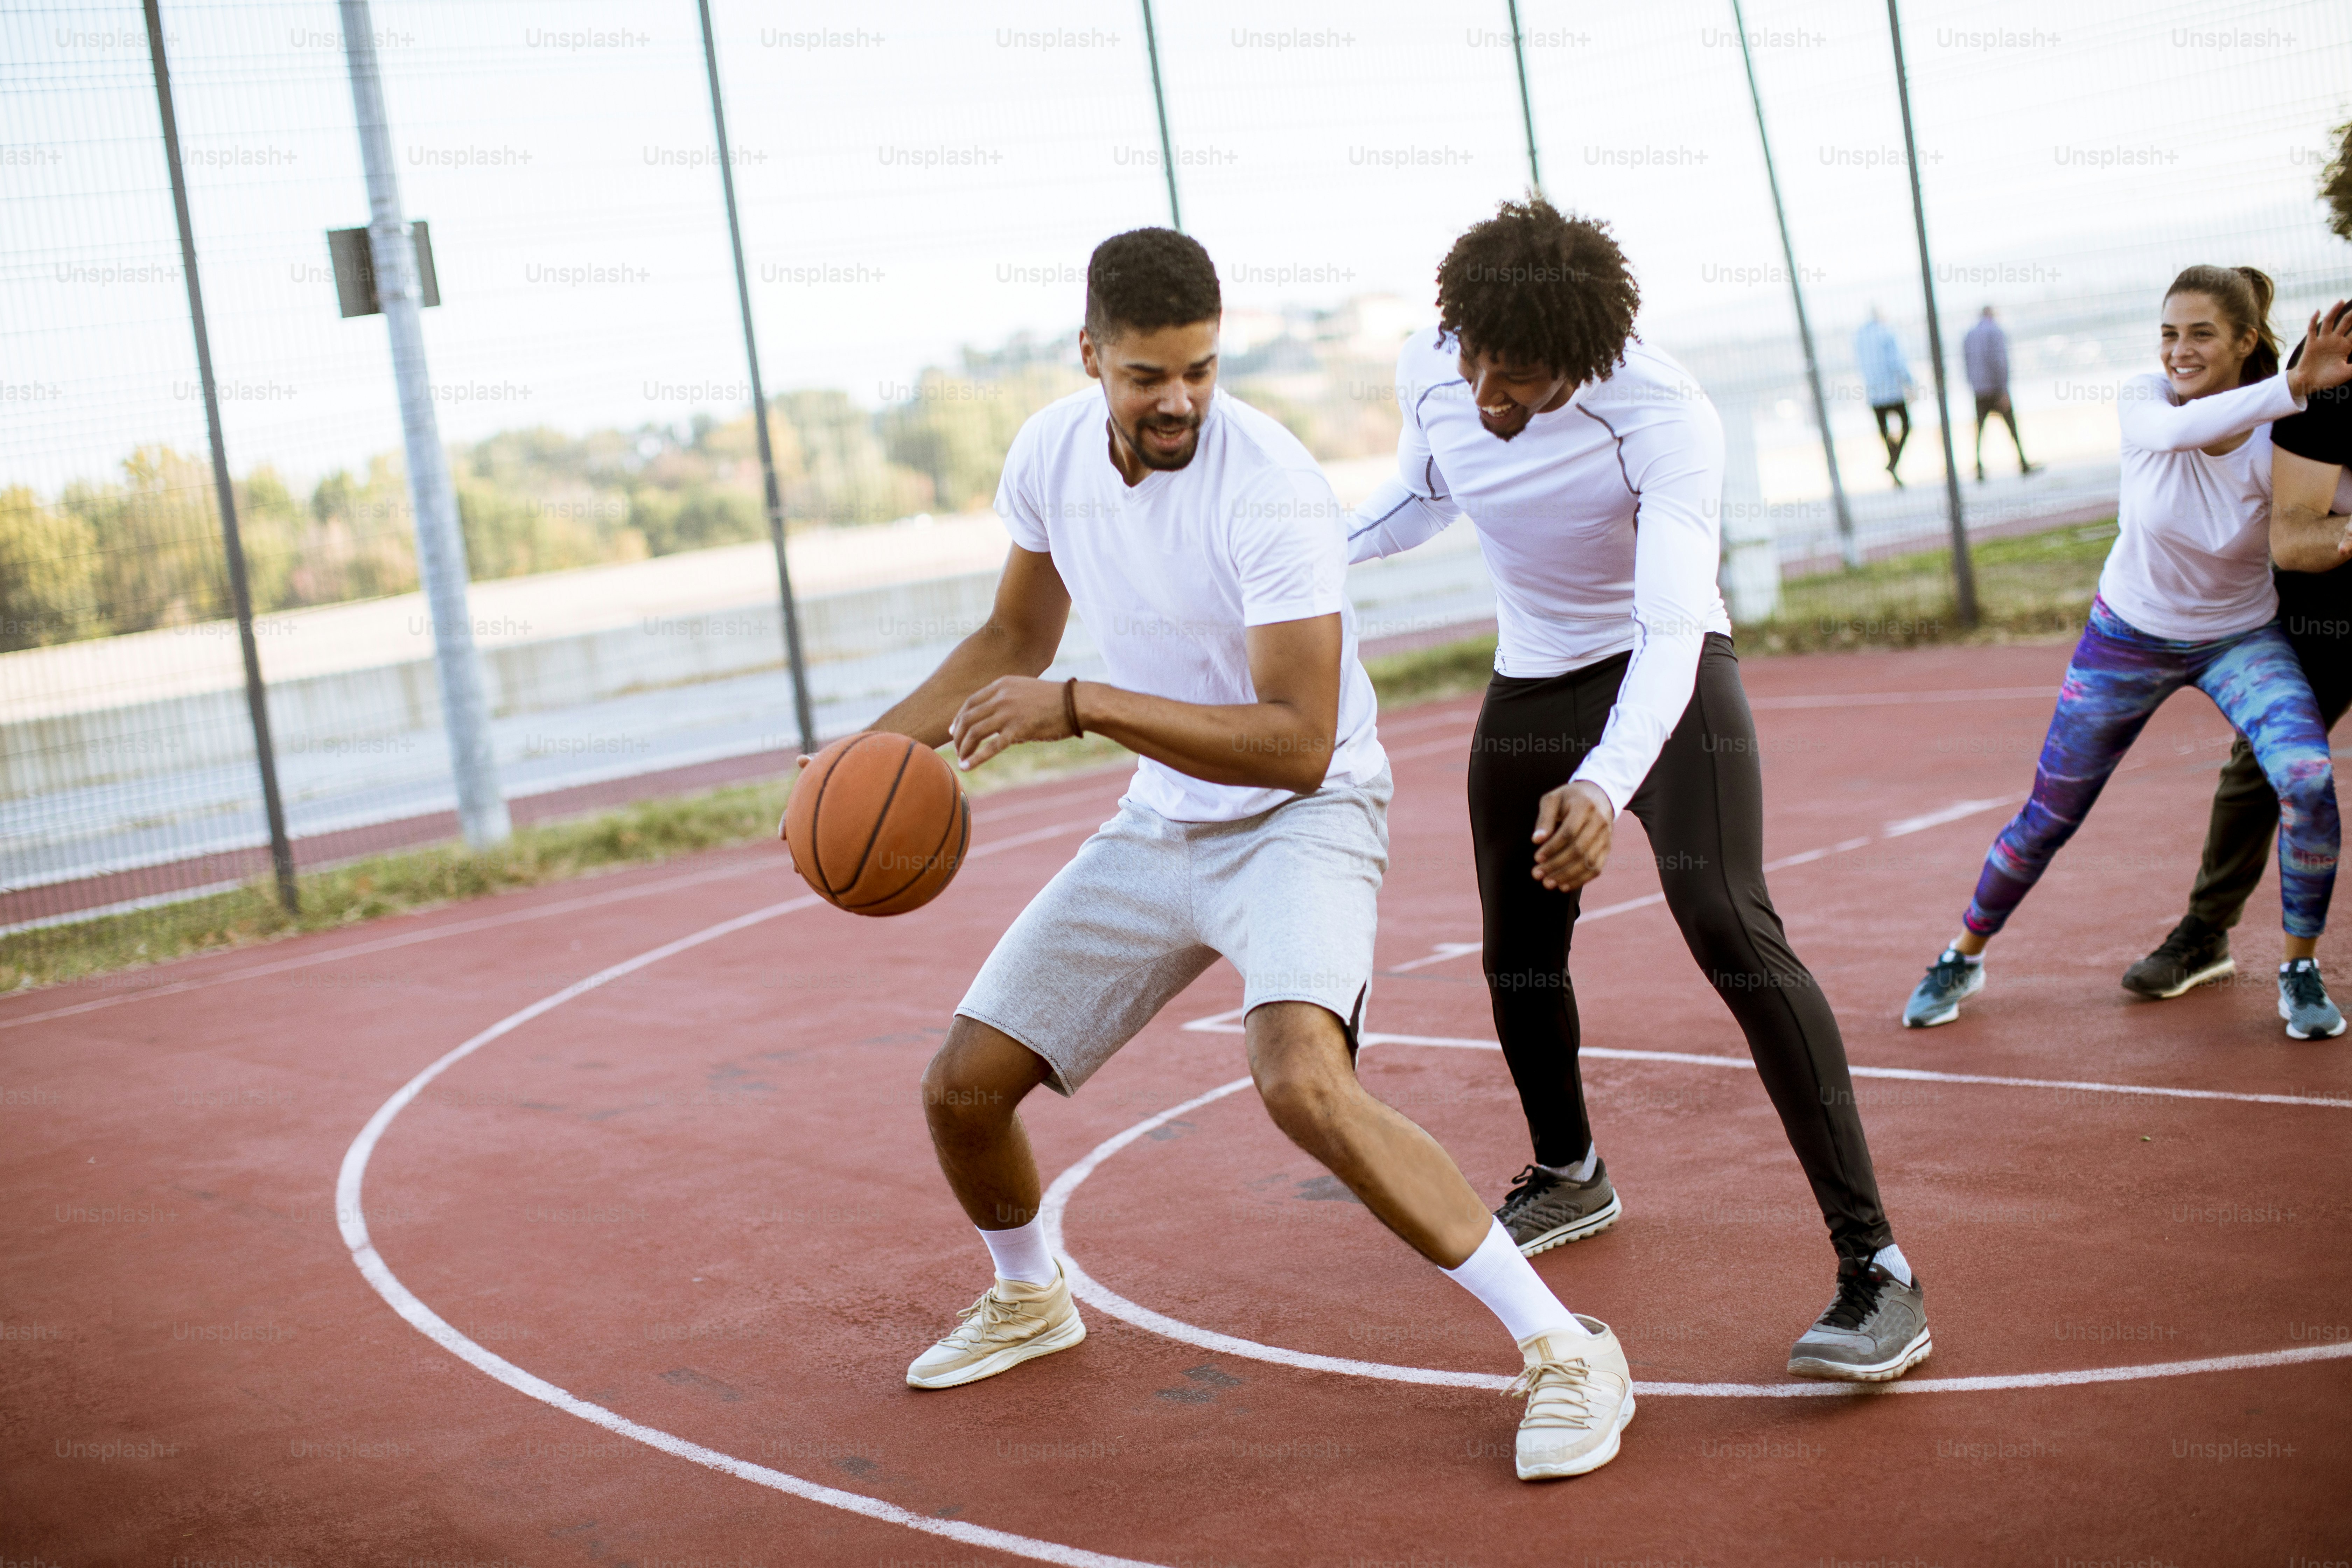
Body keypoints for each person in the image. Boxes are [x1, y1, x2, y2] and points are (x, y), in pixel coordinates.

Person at [826, 227, 1634, 1482]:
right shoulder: (1047, 449)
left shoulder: (1266, 485)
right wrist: (853, 762)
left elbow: (1297, 743)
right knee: (961, 1088)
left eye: (1198, 369)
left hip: (1301, 819)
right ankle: (1031, 1294)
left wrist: (1085, 705)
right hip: (1161, 819)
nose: (1177, 399)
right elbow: (1009, 633)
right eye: (1148, 374)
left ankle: (1564, 1345)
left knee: (1298, 1080)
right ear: (1090, 355)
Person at [1346, 197, 1928, 1384]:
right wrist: (1302, 550)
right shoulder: (1435, 367)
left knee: (1728, 922)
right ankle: (1571, 1171)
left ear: (1591, 360)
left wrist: (1607, 786)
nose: (1494, 400)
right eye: (1481, 369)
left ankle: (1880, 1268)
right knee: (1515, 949)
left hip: (1665, 673)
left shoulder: (1663, 413)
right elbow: (1423, 501)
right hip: (1532, 676)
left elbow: (1669, 626)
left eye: (1527, 381)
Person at [1902, 267, 2352, 1038]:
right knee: (2049, 815)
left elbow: (2332, 502)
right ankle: (1962, 952)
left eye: (2201, 333)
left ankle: (2298, 968)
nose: (2179, 350)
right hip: (2128, 637)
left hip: (2241, 638)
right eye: (2170, 333)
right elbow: (2186, 431)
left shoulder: (2282, 434)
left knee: (2307, 779)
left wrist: (2298, 397)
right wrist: (2295, 384)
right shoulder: (2145, 400)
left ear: (2245, 340)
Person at [2125, 123, 2352, 1020]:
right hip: (2327, 607)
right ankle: (2205, 932)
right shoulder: (2334, 357)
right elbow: (2296, 540)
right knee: (2266, 765)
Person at [1963, 305, 2038, 482]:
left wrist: (1974, 386)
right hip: (1996, 389)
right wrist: (2003, 389)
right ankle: (2023, 462)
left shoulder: (1970, 335)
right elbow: (1999, 361)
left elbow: (1966, 363)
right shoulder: (1996, 332)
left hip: (1980, 390)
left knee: (1980, 430)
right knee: (2011, 426)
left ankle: (1979, 468)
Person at [1856, 306, 1915, 484]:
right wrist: (1909, 383)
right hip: (1892, 390)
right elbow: (1897, 361)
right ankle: (1895, 459)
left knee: (1884, 430)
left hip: (1874, 392)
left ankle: (1893, 460)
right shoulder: (1887, 332)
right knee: (1907, 425)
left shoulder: (1860, 337)